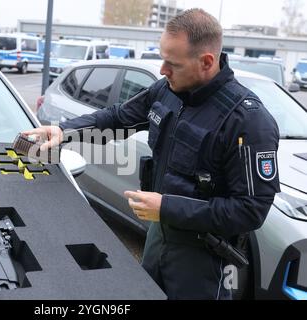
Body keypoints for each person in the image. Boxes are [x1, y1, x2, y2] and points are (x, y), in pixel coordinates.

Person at [21, 8, 280, 299]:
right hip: (158, 237)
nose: (162, 70)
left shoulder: (247, 121)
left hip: (202, 260)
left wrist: (166, 207)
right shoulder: (167, 91)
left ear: (206, 62)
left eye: (172, 64)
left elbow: (250, 211)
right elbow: (118, 118)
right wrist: (63, 130)